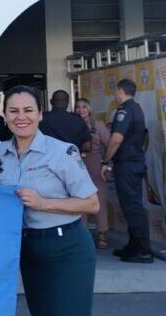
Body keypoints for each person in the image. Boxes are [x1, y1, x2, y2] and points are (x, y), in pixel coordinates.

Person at [0, 85, 99, 316]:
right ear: (4, 115)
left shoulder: (62, 151)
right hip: (28, 249)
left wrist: (44, 203)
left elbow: (92, 203)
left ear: (40, 114)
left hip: (67, 249)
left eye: (28, 110)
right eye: (13, 111)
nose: (21, 117)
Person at [101, 78, 152, 263]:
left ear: (120, 90)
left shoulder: (125, 110)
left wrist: (105, 161)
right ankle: (134, 246)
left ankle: (143, 250)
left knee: (133, 208)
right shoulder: (136, 108)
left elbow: (116, 139)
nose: (115, 94)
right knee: (133, 206)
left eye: (116, 91)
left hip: (128, 164)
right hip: (134, 163)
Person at [75, 97, 111, 249]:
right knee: (81, 200)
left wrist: (106, 164)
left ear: (89, 109)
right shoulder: (73, 125)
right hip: (77, 166)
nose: (81, 110)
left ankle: (102, 234)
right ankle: (84, 235)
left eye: (84, 107)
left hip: (96, 165)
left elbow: (110, 144)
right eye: (78, 107)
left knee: (99, 200)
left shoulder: (98, 125)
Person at [39, 89, 92, 154]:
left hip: (48, 160)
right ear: (67, 103)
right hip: (70, 160)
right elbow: (87, 147)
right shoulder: (78, 120)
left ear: (51, 102)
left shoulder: (41, 118)